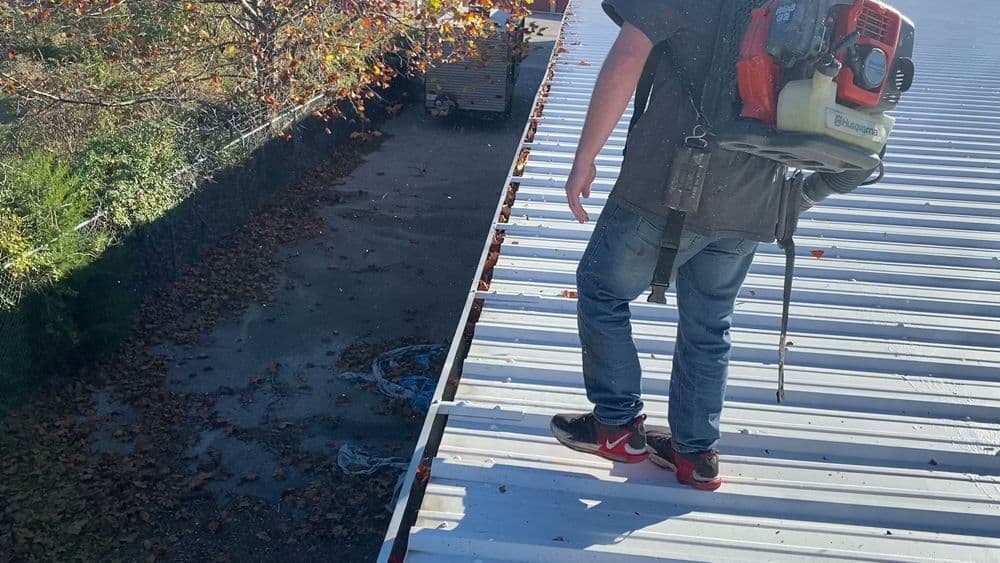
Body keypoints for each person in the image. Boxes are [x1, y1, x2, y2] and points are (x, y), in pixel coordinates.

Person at [548, 0, 878, 491]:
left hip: (661, 187)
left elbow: (627, 56)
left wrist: (584, 157)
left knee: (601, 289)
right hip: (752, 202)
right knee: (708, 323)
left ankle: (617, 426)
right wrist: (800, 197)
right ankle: (696, 455)